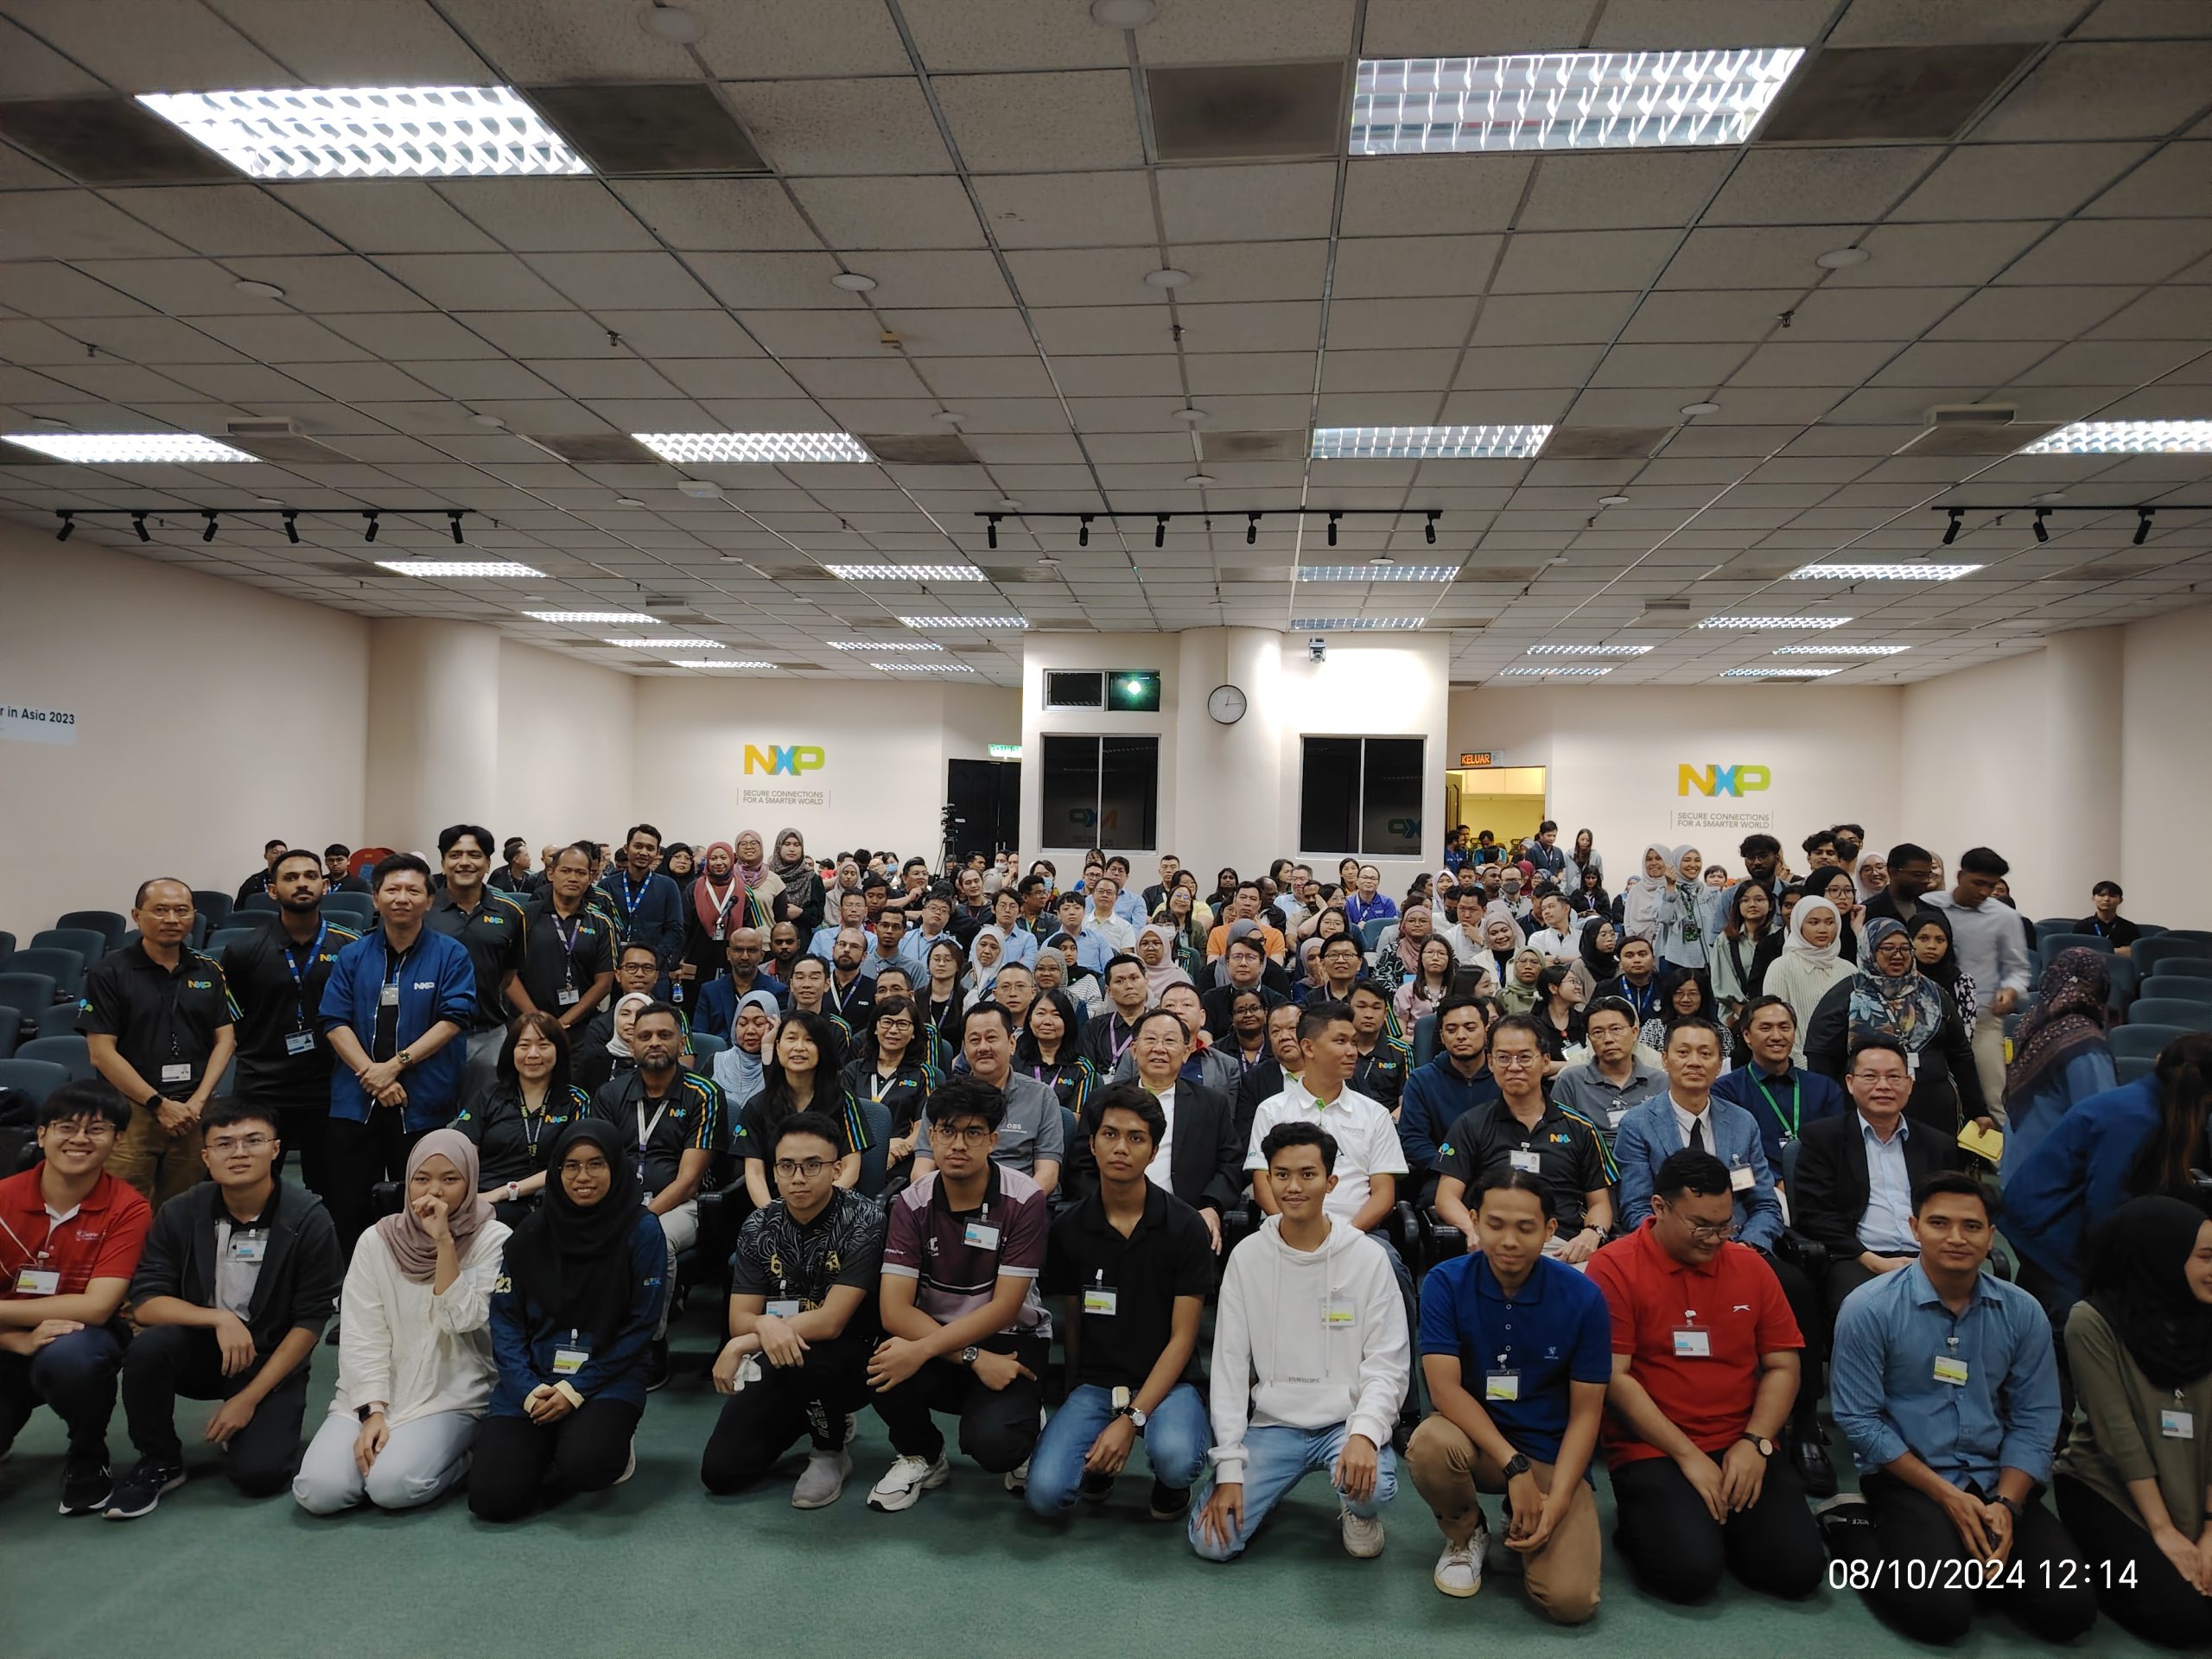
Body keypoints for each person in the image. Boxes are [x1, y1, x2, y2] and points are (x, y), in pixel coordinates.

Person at [1827, 1170, 2097, 1644]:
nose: (1956, 1237)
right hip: (1909, 1477)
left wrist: (2007, 1506)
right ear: (1915, 1228)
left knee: (2069, 1610)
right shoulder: (1868, 1308)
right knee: (1941, 1616)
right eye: (1939, 1223)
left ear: (1991, 1236)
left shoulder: (2022, 1311)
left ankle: (1971, 1557)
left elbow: (2037, 1417)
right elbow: (1860, 1420)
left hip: (1996, 1477)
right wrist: (1947, 1497)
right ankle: (1852, 1532)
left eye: (1972, 1226)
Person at [1587, 1148, 1825, 1603]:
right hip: (1655, 1446)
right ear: (1659, 1207)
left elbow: (1783, 1364)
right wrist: (1687, 1455)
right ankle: (1650, 1523)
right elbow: (1616, 1378)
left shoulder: (1750, 1266)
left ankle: (1716, 1524)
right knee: (1688, 1576)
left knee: (1798, 1572)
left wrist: (1756, 1442)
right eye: (1701, 1226)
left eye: (1725, 1225)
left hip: (1741, 1439)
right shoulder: (1614, 1266)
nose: (1715, 1239)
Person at [1615, 1020, 1831, 1493]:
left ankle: (1804, 1425)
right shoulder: (1638, 1125)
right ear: (1665, 1060)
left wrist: (1743, 1248)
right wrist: (1681, 1242)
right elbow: (1634, 1208)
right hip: (1669, 1250)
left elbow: (1764, 1203)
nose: (1694, 1062)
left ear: (1721, 1063)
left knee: (1797, 1287)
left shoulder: (1742, 1122)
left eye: (1706, 1053)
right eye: (1683, 1052)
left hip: (1737, 1246)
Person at [106, 1100, 343, 1518]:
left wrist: (248, 1399)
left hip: (270, 1356)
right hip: (201, 1348)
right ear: (205, 1156)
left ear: (276, 1149)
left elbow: (310, 1321)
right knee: (147, 1349)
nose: (239, 1153)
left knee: (260, 1476)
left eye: (253, 1141)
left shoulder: (309, 1217)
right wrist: (218, 1318)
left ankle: (251, 1423)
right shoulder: (180, 1211)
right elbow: (146, 1302)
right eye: (224, 1144)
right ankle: (160, 1459)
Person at [1191, 1122, 1410, 1562]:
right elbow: (1230, 1366)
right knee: (1212, 1543)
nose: (1293, 1187)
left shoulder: (1368, 1258)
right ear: (1267, 1180)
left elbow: (1388, 1363)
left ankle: (1356, 1511)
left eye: (1308, 1174)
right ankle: (1264, 1489)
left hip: (1344, 1423)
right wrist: (1230, 1467)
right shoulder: (1248, 1257)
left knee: (1373, 1489)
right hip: (1274, 1425)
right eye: (1282, 1174)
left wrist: (1366, 1433)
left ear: (1331, 1182)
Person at [1408, 1172, 1609, 1616]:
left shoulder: (1584, 1297)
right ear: (1475, 1220)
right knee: (1430, 1444)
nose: (1509, 1241)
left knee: (1571, 1603)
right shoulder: (1445, 1282)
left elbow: (1586, 1414)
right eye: (1495, 1225)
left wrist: (1557, 1502)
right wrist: (1514, 1466)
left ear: (1550, 1230)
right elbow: (1444, 1391)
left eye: (1526, 1227)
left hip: (1551, 1453)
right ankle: (1466, 1533)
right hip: (1478, 1444)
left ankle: (1530, 1516)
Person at [292, 1129, 510, 1516]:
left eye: (450, 1179)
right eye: (421, 1179)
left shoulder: (493, 1237)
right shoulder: (377, 1240)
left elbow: (463, 1319)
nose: (434, 1191)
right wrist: (372, 1411)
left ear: (471, 1182)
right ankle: (397, 1446)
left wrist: (444, 1242)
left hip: (450, 1393)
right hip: (374, 1392)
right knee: (319, 1492)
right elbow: (362, 1334)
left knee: (393, 1487)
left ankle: (466, 1456)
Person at [867, 1077, 1052, 1510]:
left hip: (1010, 1338)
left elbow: (1005, 1307)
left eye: (973, 1133)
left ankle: (1026, 1419)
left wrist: (928, 1350)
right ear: (931, 1136)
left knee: (996, 1446)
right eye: (948, 1131)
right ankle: (923, 1456)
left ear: (992, 1140)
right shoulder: (910, 1203)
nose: (958, 1145)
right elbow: (894, 1311)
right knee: (882, 1365)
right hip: (938, 1330)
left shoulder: (1025, 1199)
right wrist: (971, 1357)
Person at [1027, 1090, 1213, 1521]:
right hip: (1097, 1383)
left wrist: (1130, 1419)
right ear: (1092, 1144)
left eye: (1136, 1138)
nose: (1121, 1148)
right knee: (1044, 1495)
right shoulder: (1070, 1228)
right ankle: (1097, 1463)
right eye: (1109, 1134)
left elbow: (1184, 1339)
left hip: (1169, 1382)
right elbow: (1074, 1323)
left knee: (1177, 1458)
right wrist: (1075, 1399)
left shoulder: (1185, 1226)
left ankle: (1171, 1484)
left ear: (1153, 1151)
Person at [468, 1121, 666, 1521]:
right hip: (534, 1377)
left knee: (587, 1466)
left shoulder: (642, 1230)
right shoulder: (531, 1232)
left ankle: (596, 1439)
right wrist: (527, 1390)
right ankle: (549, 1440)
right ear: (556, 1171)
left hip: (607, 1376)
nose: (583, 1177)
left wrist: (576, 1389)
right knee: (493, 1501)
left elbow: (641, 1326)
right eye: (571, 1166)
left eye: (596, 1164)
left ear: (616, 1167)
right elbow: (505, 1321)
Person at [701, 1112, 886, 1508]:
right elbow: (740, 1317)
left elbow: (831, 1322)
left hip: (852, 1356)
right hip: (779, 1352)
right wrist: (765, 1327)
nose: (798, 1177)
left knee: (813, 1359)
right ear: (775, 1171)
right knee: (722, 1472)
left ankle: (829, 1450)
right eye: (787, 1166)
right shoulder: (759, 1225)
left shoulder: (864, 1219)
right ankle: (813, 1414)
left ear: (837, 1169)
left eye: (812, 1165)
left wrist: (744, 1342)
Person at [2054, 1197, 2212, 1648]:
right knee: (2188, 1621)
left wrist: (2209, 1530)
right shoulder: (2092, 1321)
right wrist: (2164, 1531)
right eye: (2205, 1257)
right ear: (2162, 1257)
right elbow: (2118, 1437)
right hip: (2114, 1488)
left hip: (2197, 1487)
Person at [0, 1081, 152, 1515]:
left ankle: (88, 1455)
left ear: (117, 1140)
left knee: (72, 1357)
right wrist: (16, 1339)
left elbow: (96, 1307)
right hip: (5, 1337)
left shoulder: (129, 1207)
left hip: (80, 1336)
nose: (80, 1139)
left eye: (97, 1129)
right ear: (42, 1133)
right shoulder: (3, 1197)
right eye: (66, 1127)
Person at [321, 855, 477, 1251]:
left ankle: (421, 1272)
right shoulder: (353, 955)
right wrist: (373, 1075)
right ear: (375, 898)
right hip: (356, 1100)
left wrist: (392, 1066)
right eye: (392, 889)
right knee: (350, 1202)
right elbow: (334, 1021)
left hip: (423, 1099)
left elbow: (454, 1018)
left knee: (425, 1202)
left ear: (429, 900)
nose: (402, 898)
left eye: (412, 890)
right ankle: (356, 1277)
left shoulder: (451, 954)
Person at [2005, 1033, 2212, 1310]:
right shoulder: (2134, 1117)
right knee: (2075, 1317)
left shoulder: (2158, 1103)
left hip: (2061, 1220)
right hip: (2050, 1227)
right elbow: (2105, 1204)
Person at [80, 877, 238, 1208]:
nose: (172, 919)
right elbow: (101, 1053)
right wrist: (158, 1104)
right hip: (132, 1111)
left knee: (182, 1208)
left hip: (193, 1110)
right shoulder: (108, 972)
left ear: (194, 915)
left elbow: (225, 1039)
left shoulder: (209, 970)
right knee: (122, 1208)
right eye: (160, 910)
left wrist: (198, 1101)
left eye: (182, 910)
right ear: (137, 916)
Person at [220, 849, 359, 1198]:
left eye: (310, 876)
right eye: (290, 877)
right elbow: (233, 1020)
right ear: (272, 890)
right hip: (262, 1087)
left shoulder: (351, 947)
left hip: (330, 1087)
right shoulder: (243, 950)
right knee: (253, 1188)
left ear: (324, 886)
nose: (301, 884)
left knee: (334, 1190)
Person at [1791, 1035, 1964, 1308]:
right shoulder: (1824, 1138)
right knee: (1864, 1307)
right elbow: (1815, 1215)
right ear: (1850, 1083)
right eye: (1870, 1076)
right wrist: (1871, 1260)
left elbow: (1954, 1208)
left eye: (1894, 1077)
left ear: (1909, 1084)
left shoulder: (1937, 1144)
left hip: (1929, 1256)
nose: (1883, 1086)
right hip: (1857, 1257)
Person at [1432, 1015, 1612, 1263]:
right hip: (1494, 1246)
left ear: (1546, 1061)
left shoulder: (1580, 1128)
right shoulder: (1471, 1124)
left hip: (1562, 1249)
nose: (1514, 1066)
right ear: (1491, 1062)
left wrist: (1592, 1233)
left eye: (1525, 1057)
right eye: (1504, 1058)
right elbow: (1446, 1197)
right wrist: (1472, 1229)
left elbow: (1600, 1203)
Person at [1245, 1003, 1411, 1272]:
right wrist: (1296, 1235)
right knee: (1247, 1263)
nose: (1352, 1051)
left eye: (1353, 1042)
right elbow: (1263, 1185)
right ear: (1308, 1047)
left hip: (1358, 1234)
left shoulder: (1375, 1114)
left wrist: (1341, 1239)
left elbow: (1383, 1194)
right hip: (1283, 1233)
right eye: (1340, 1041)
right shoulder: (1272, 1110)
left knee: (1389, 1264)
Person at [1807, 916, 1986, 1138]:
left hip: (1935, 1111)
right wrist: (1826, 1116)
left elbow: (1961, 1055)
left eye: (1905, 948)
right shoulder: (1847, 995)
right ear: (1869, 950)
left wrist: (1978, 1110)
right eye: (1888, 948)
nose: (1898, 955)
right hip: (1866, 1113)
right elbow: (1821, 1059)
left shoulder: (1934, 994)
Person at [1080, 1023, 1240, 1255]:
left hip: (1186, 1221)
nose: (1159, 1048)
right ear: (1134, 1050)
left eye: (1170, 1041)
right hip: (1112, 1218)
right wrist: (1104, 1207)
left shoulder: (1212, 1104)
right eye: (1151, 1039)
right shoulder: (1102, 1099)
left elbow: (1230, 1163)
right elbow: (1081, 1165)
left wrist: (1212, 1206)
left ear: (1186, 1052)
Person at [588, 1002, 720, 1269]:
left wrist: (639, 1218)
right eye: (645, 1036)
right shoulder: (610, 1094)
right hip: (618, 1203)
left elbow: (688, 1182)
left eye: (664, 1035)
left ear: (681, 1044)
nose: (655, 1042)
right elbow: (599, 1164)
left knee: (653, 1238)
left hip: (681, 1205)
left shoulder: (704, 1093)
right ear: (632, 1046)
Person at [426, 823, 535, 1109]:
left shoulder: (511, 911)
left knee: (485, 1115)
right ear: (443, 862)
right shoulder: (423, 908)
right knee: (432, 1118)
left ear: (487, 863)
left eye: (474, 855)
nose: (464, 862)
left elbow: (508, 974)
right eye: (455, 855)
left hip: (488, 1034)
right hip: (428, 1034)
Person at [452, 1014, 591, 1223]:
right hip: (485, 1196)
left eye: (543, 1045)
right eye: (524, 1046)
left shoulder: (576, 1100)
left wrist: (505, 1192)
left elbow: (572, 1165)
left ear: (559, 1050)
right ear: (511, 1051)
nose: (533, 1054)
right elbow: (463, 1154)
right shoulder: (488, 1097)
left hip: (548, 1198)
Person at [911, 1005, 1065, 1192]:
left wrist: (1018, 1205)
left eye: (991, 1038)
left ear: (1012, 1043)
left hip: (1019, 1198)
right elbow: (921, 1170)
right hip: (955, 1198)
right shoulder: (943, 1099)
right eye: (974, 1040)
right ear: (965, 1050)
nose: (983, 1047)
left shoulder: (1041, 1097)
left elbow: (1047, 1174)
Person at [1925, 848, 2032, 1114]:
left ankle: (1999, 1144)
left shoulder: (2005, 918)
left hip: (1982, 1021)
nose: (1985, 891)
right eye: (1978, 883)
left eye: (1991, 886)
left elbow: (2018, 969)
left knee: (1993, 1101)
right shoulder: (1928, 904)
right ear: (1960, 876)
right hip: (1928, 1019)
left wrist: (2010, 991)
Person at [2002, 946, 2117, 1182]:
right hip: (2054, 1182)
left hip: (2018, 1172)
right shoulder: (2085, 1043)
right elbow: (2101, 1122)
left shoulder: (2032, 1026)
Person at [736, 1011, 868, 1205]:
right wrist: (774, 1214)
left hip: (832, 1204)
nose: (799, 1047)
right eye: (791, 1038)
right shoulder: (757, 1106)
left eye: (810, 1040)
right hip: (775, 1207)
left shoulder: (843, 1101)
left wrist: (818, 1209)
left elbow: (851, 1169)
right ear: (778, 1047)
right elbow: (754, 1173)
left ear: (822, 1050)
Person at [1711, 995, 1847, 1170]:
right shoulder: (1725, 1090)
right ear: (1747, 1036)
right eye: (1766, 1028)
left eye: (1784, 1027)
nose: (1777, 1036)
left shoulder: (1824, 1088)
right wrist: (1775, 1182)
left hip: (1816, 1181)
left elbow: (1837, 1148)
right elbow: (1732, 1153)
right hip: (1757, 1183)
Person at [518, 843, 617, 1043]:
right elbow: (508, 976)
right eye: (566, 871)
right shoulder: (524, 916)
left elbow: (604, 983)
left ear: (590, 877)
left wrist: (562, 1022)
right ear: (551, 873)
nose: (573, 878)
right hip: (526, 1024)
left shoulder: (600, 923)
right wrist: (536, 1018)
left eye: (581, 873)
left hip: (579, 1028)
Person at [1552, 995, 1666, 1158]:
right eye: (1598, 1032)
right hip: (1590, 1166)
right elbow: (1558, 1138)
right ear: (1589, 1039)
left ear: (1634, 1033)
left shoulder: (1661, 1082)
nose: (1608, 1039)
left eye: (1616, 1029)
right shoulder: (1570, 1081)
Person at [1761, 898, 1853, 1061]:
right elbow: (1775, 1020)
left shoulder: (1849, 970)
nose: (1822, 929)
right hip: (1797, 1063)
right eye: (1814, 922)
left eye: (1829, 922)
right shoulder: (1782, 967)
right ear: (1799, 925)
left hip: (1843, 1063)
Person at [598, 823, 687, 983]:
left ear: (657, 853)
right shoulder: (607, 886)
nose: (644, 852)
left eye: (650, 848)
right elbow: (600, 928)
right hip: (616, 970)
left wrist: (653, 960)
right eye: (638, 846)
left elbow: (675, 929)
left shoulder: (668, 886)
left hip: (654, 970)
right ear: (627, 848)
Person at [693, 925, 784, 1039]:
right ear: (728, 954)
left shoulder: (778, 992)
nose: (745, 956)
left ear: (762, 955)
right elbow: (700, 1037)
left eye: (752, 950)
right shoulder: (710, 991)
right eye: (739, 950)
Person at [709, 990, 782, 1124]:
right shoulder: (716, 1061)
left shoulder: (781, 1065)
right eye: (742, 1024)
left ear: (774, 1025)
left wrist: (768, 1047)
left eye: (759, 1024)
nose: (750, 1031)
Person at [1709, 880, 1778, 1020]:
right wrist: (1743, 1012)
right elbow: (1722, 982)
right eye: (1745, 900)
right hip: (1736, 1016)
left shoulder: (1780, 937)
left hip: (1775, 1013)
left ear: (1771, 905)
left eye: (1759, 900)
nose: (1752, 905)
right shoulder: (1726, 940)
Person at [2079, 880, 2140, 954]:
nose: (2107, 899)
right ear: (2093, 899)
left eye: (2112, 896)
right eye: (2102, 895)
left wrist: (2094, 952)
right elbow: (2077, 953)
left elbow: (2133, 952)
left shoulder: (2129, 927)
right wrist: (2116, 951)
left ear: (2120, 900)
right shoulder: (2082, 926)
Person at [235, 839, 289, 908]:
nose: (279, 855)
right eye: (275, 852)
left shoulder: (293, 880)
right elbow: (239, 908)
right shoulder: (254, 881)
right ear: (265, 856)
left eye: (283, 853)